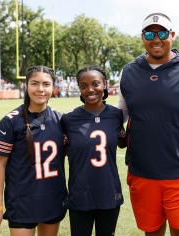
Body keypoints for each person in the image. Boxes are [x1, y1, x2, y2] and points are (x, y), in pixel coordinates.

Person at [118, 12, 179, 235]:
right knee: (151, 231)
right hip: (141, 170)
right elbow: (122, 114)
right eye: (150, 33)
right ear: (142, 37)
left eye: (162, 32)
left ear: (172, 35)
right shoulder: (128, 72)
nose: (156, 38)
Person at [0, 66, 67, 236]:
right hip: (22, 200)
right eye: (34, 83)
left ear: (53, 87)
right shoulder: (11, 121)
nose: (40, 89)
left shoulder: (60, 120)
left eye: (46, 84)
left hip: (52, 198)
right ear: (26, 86)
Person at [60, 65, 126, 236]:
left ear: (105, 84)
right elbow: (63, 151)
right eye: (84, 85)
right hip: (80, 193)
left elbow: (122, 143)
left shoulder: (116, 115)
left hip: (109, 191)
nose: (90, 89)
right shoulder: (68, 119)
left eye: (95, 84)